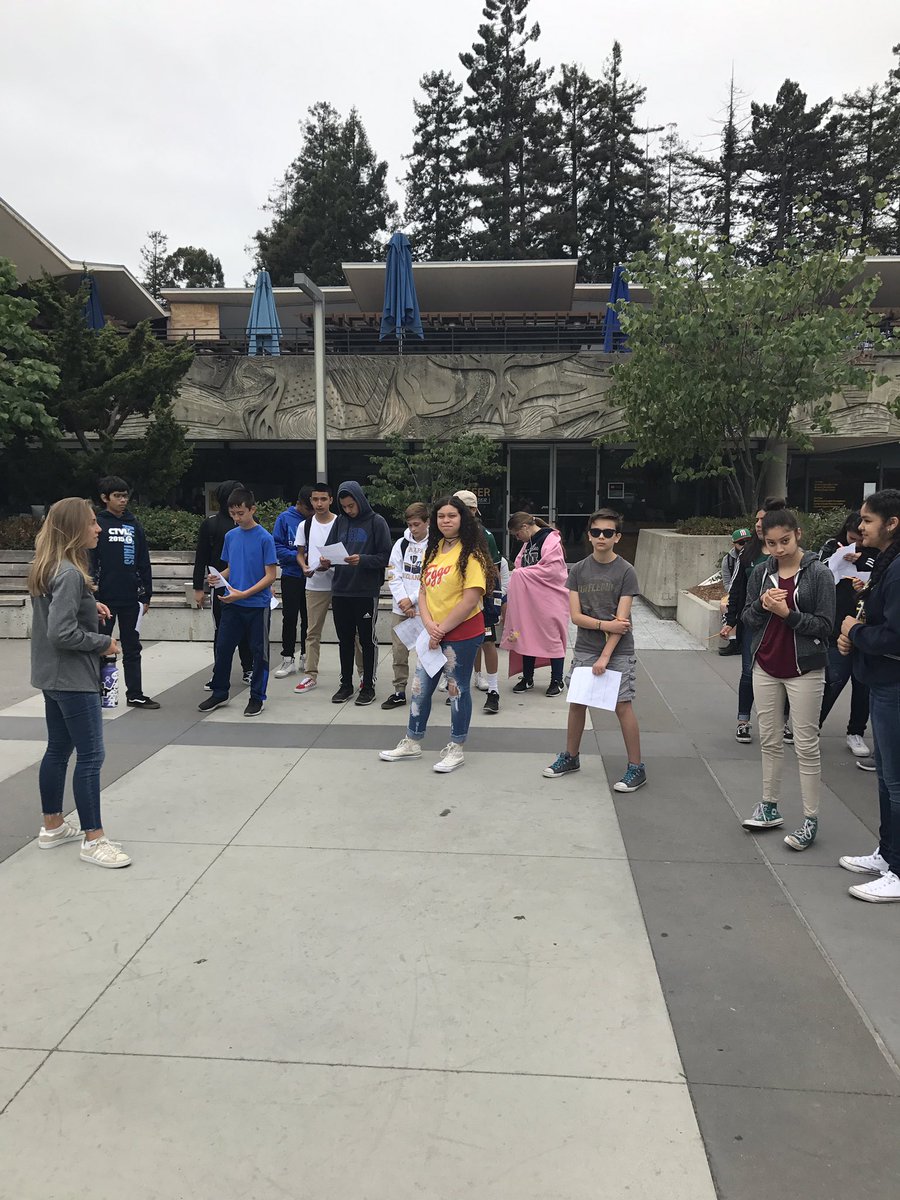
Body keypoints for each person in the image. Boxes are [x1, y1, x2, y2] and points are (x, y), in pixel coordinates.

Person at [28, 498, 131, 868]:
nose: (98, 528)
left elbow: (59, 614)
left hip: (50, 675)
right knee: (91, 756)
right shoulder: (70, 572)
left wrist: (91, 603)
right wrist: (104, 641)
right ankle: (94, 838)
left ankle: (53, 825)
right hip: (72, 677)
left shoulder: (48, 566)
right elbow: (62, 633)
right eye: (91, 523)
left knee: (58, 749)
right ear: (74, 528)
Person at [740, 508, 835, 851]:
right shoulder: (762, 572)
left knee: (807, 746)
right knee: (769, 739)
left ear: (798, 534)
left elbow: (825, 627)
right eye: (771, 543)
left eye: (785, 541)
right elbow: (747, 617)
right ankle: (769, 805)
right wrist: (764, 606)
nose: (778, 549)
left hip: (805, 668)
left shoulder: (819, 573)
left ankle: (810, 819)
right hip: (765, 663)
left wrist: (788, 614)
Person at [379, 496, 493, 773]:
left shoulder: (472, 553)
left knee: (457, 688)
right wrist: (429, 624)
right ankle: (413, 740)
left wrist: (441, 629)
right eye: (441, 516)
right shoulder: (435, 549)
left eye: (452, 516)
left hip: (462, 632)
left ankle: (456, 747)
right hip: (432, 631)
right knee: (420, 687)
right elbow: (423, 590)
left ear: (462, 518)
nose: (446, 521)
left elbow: (471, 597)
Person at [543, 508, 646, 792]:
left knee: (622, 705)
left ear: (617, 537)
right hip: (586, 647)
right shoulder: (578, 570)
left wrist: (605, 655)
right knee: (577, 703)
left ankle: (636, 767)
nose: (602, 537)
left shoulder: (626, 571)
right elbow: (575, 617)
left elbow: (622, 623)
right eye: (597, 532)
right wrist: (604, 625)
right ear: (589, 536)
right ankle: (571, 756)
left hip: (618, 651)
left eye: (608, 533)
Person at [837, 488, 900, 902]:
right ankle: (888, 853)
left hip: (893, 683)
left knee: (896, 781)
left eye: (867, 520)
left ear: (891, 523)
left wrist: (853, 631)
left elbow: (895, 634)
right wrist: (855, 632)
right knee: (884, 777)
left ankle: (897, 869)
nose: (860, 527)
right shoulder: (887, 563)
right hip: (881, 680)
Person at [197, 487, 277, 717]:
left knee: (258, 652)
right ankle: (220, 691)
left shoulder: (265, 538)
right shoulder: (231, 536)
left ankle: (256, 697)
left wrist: (244, 594)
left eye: (241, 512)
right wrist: (219, 577)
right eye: (233, 513)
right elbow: (232, 567)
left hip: (256, 605)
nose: (236, 517)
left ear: (252, 509)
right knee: (223, 649)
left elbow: (270, 575)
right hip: (232, 603)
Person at [721, 498, 792, 743]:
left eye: (763, 519)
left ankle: (782, 723)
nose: (758, 524)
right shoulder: (749, 552)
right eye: (757, 519)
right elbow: (737, 590)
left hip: (784, 624)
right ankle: (743, 720)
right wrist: (730, 621)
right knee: (748, 672)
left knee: (785, 674)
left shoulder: (788, 553)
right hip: (754, 623)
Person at [320, 481, 391, 706]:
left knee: (367, 640)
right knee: (344, 640)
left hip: (365, 591)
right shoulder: (340, 522)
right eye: (345, 506)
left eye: (352, 506)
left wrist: (363, 560)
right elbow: (330, 548)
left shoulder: (376, 522)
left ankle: (368, 685)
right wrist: (325, 561)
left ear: (360, 500)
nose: (349, 510)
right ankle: (345, 684)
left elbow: (385, 556)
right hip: (341, 589)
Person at [91, 475, 159, 710]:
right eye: (117, 496)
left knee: (132, 646)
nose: (122, 500)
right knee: (101, 646)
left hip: (131, 598)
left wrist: (146, 595)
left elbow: (143, 561)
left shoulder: (134, 524)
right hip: (105, 599)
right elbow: (91, 561)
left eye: (125, 495)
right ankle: (97, 693)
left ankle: (136, 694)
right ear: (104, 498)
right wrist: (93, 596)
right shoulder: (98, 524)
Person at [817, 511, 877, 757]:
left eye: (861, 538)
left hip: (866, 625)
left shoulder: (878, 553)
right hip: (837, 623)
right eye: (853, 537)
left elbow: (878, 578)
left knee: (863, 684)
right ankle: (811, 726)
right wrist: (839, 557)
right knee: (834, 678)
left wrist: (861, 561)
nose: (857, 543)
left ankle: (856, 732)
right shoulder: (832, 546)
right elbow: (817, 573)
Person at [192, 480, 253, 689]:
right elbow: (201, 557)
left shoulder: (249, 524)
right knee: (222, 631)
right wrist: (198, 588)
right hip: (220, 586)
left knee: (247, 631)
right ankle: (219, 673)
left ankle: (249, 669)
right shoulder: (211, 524)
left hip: (245, 585)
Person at [500, 512, 569, 696]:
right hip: (530, 600)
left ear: (524, 527)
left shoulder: (550, 539)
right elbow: (519, 565)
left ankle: (557, 679)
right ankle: (527, 677)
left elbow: (553, 570)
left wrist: (521, 574)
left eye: (517, 534)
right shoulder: (527, 544)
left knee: (553, 636)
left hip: (550, 599)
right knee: (527, 634)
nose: (517, 538)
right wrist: (520, 573)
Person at [454, 489, 506, 714]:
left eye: (470, 508)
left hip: (481, 598)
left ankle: (493, 690)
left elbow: (494, 569)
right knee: (460, 642)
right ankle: (466, 680)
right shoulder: (447, 534)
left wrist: (495, 599)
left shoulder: (484, 534)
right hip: (454, 598)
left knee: (487, 640)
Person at [381, 502, 430, 710]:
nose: (413, 529)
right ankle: (399, 690)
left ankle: (425, 690)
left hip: (425, 607)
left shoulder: (436, 545)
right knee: (399, 651)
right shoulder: (401, 544)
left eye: (417, 524)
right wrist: (403, 601)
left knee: (428, 652)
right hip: (400, 608)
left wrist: (412, 599)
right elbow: (394, 573)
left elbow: (430, 577)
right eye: (410, 524)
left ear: (427, 522)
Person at [293, 482, 338, 693]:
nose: (319, 503)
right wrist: (304, 567)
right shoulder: (306, 525)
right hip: (314, 583)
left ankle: (362, 673)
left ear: (331, 500)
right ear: (310, 501)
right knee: (312, 632)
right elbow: (300, 553)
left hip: (340, 583)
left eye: (323, 499)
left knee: (351, 633)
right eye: (315, 499)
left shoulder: (341, 523)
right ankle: (310, 674)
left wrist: (331, 563)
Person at [272, 485, 313, 679]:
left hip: (312, 577)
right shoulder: (284, 519)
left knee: (309, 619)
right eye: (309, 508)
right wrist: (298, 555)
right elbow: (276, 546)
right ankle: (288, 657)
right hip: (291, 575)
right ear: (300, 505)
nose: (312, 512)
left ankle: (306, 655)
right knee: (289, 618)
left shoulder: (316, 520)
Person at [718, 528, 752, 656]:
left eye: (748, 541)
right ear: (734, 544)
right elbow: (727, 583)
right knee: (724, 605)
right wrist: (735, 595)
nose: (745, 546)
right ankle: (733, 642)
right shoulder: (728, 560)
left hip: (752, 594)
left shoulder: (756, 556)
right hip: (735, 592)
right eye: (741, 543)